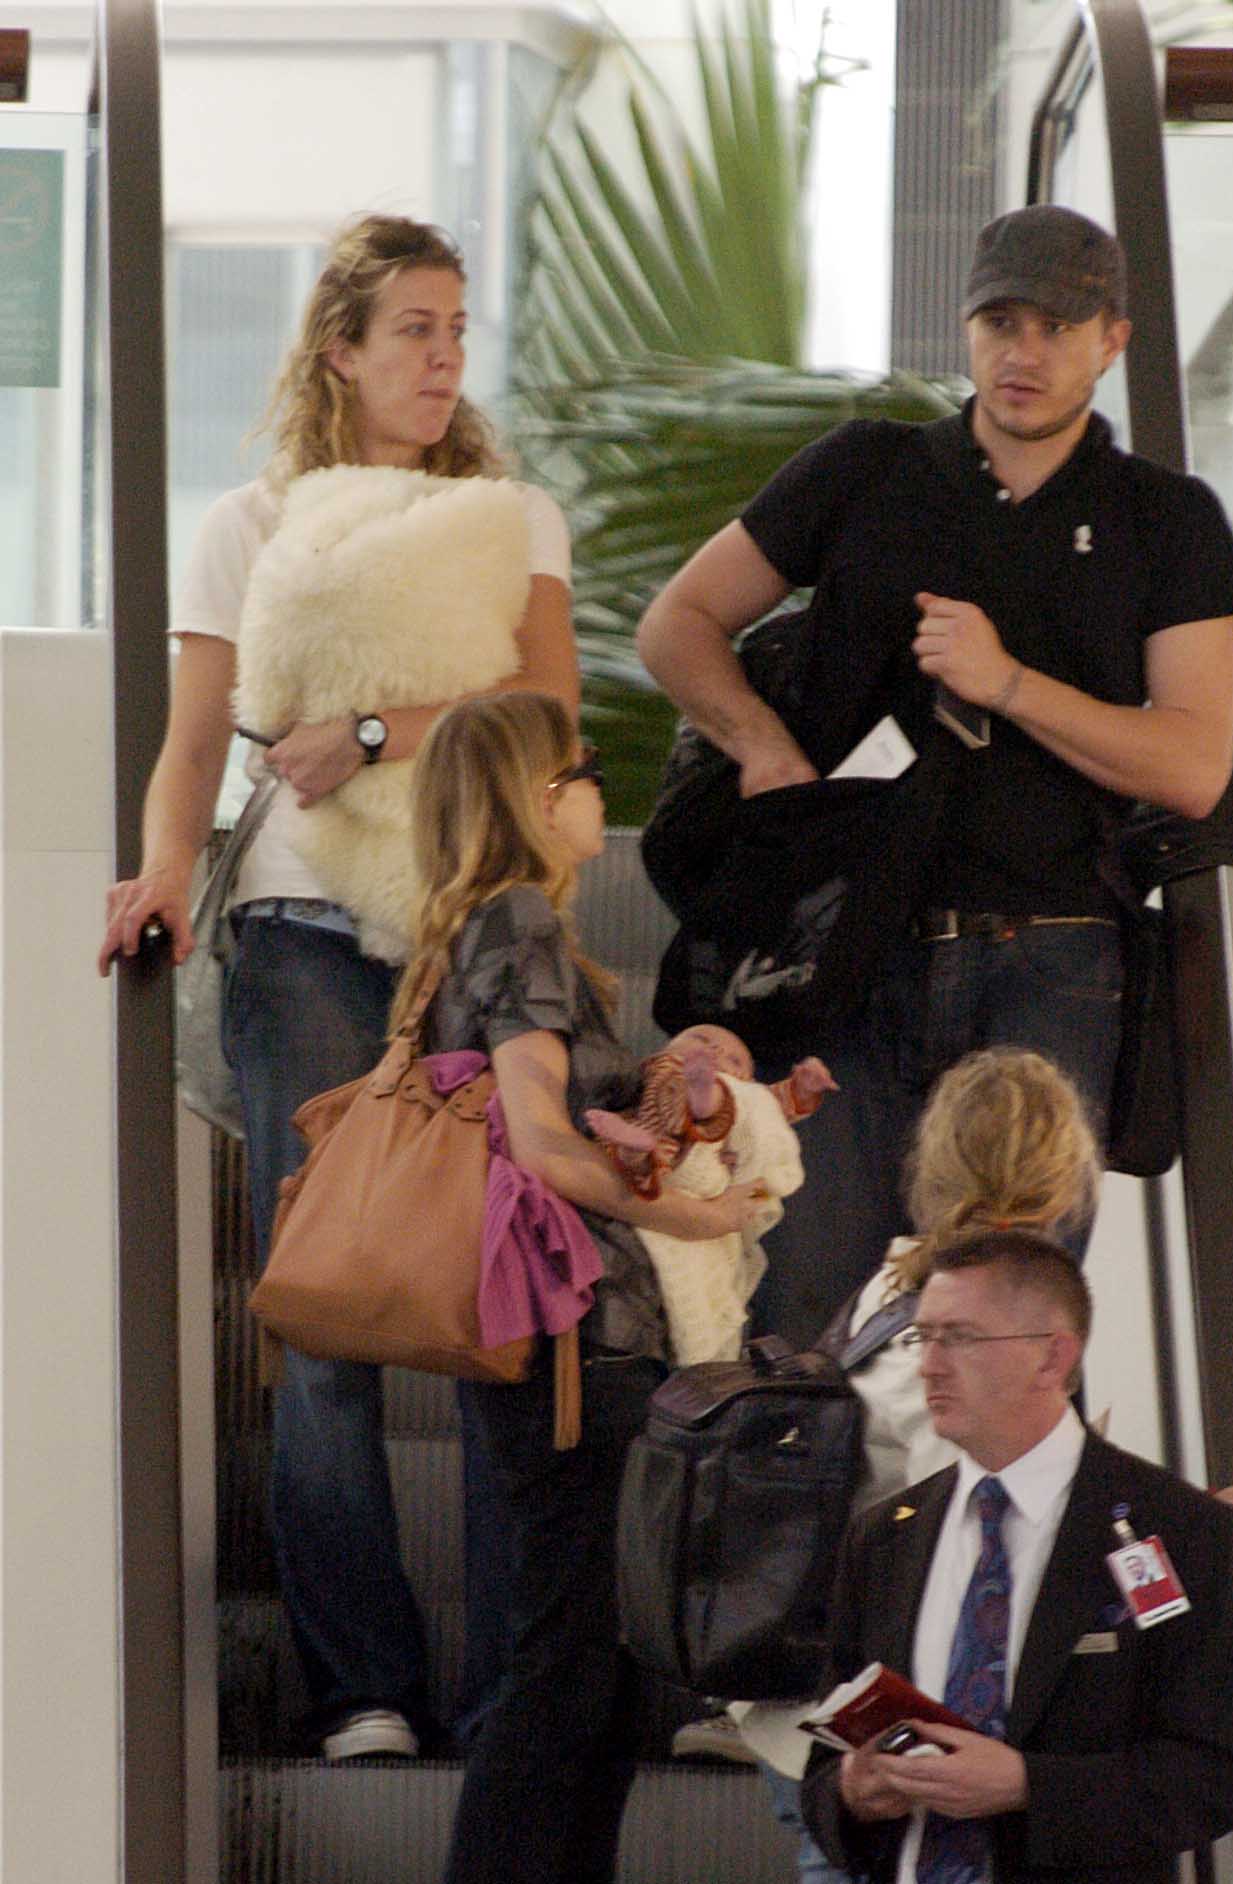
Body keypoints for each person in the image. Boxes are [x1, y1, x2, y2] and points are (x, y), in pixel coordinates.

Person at [97, 214, 578, 1759]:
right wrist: (162, 869)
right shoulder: (250, 522)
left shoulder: (512, 522)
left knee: (501, 1308)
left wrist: (379, 729)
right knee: (326, 1317)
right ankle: (365, 1686)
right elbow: (189, 746)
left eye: (456, 329)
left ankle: (515, 1695)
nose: (444, 358)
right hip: (300, 934)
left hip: (474, 929)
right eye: (414, 330)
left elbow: (550, 710)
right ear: (341, 352)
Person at [637, 203, 1233, 1346]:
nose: (1023, 353)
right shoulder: (869, 470)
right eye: (1000, 321)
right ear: (965, 328)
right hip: (847, 952)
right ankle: (806, 1525)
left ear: (1113, 339)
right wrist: (764, 751)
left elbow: (1193, 763)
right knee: (797, 1324)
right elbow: (677, 621)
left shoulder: (1165, 522)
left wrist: (1008, 682)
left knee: (1007, 1336)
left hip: (1054, 965)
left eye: (1057, 326)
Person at [725, 1048, 1233, 1884]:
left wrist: (1180, 1514)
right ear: (1069, 1178)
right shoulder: (962, 1344)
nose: (935, 1362)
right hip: (882, 1753)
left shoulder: (884, 1294)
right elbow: (991, 1508)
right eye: (941, 1344)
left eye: (961, 1344)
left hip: (805, 1716)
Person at [392, 691, 761, 1884]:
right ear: (535, 792)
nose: (602, 790)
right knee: (569, 1670)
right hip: (575, 1347)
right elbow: (545, 1146)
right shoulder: (516, 924)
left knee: (596, 1674)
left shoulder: (493, 932)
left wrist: (671, 1082)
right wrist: (691, 1211)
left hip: (574, 1343)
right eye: (587, 768)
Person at [800, 1229, 1233, 1883]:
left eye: (958, 1338)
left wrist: (1027, 1786)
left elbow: (1214, 1777)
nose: (929, 1364)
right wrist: (852, 1789)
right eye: (921, 1337)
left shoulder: (1181, 1531)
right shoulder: (884, 1537)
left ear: (1051, 1359)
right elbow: (823, 1770)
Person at [585, 1024, 836, 1363]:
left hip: (704, 1163)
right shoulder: (653, 1072)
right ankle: (640, 1142)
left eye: (733, 1058)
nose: (715, 1052)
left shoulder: (747, 1095)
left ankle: (694, 1104)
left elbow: (777, 1107)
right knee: (632, 1152)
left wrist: (804, 1089)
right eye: (702, 1040)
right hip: (661, 1149)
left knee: (722, 1100)